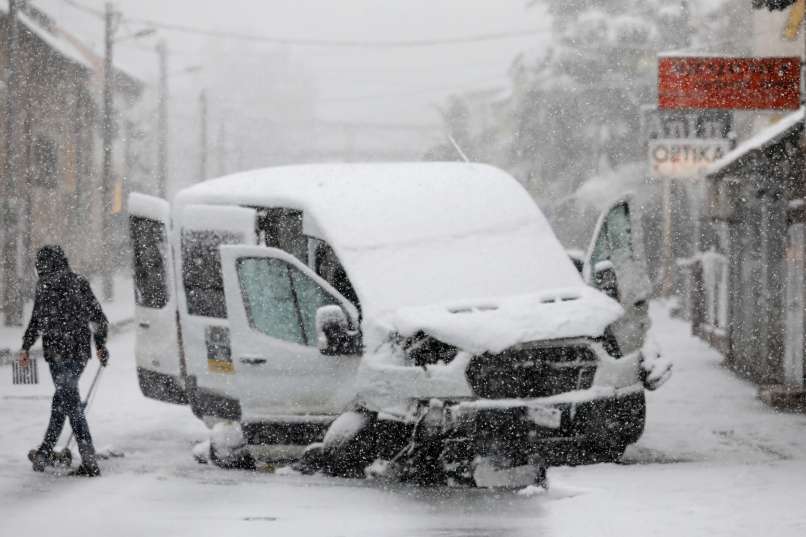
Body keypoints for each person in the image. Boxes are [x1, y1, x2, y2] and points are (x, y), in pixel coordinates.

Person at [18, 245, 110, 477]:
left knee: (69, 401)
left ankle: (88, 459)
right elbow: (98, 317)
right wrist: (100, 345)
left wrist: (26, 346)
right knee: (64, 399)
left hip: (58, 354)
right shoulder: (79, 281)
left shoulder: (45, 285)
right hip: (79, 353)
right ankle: (45, 451)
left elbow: (37, 320)